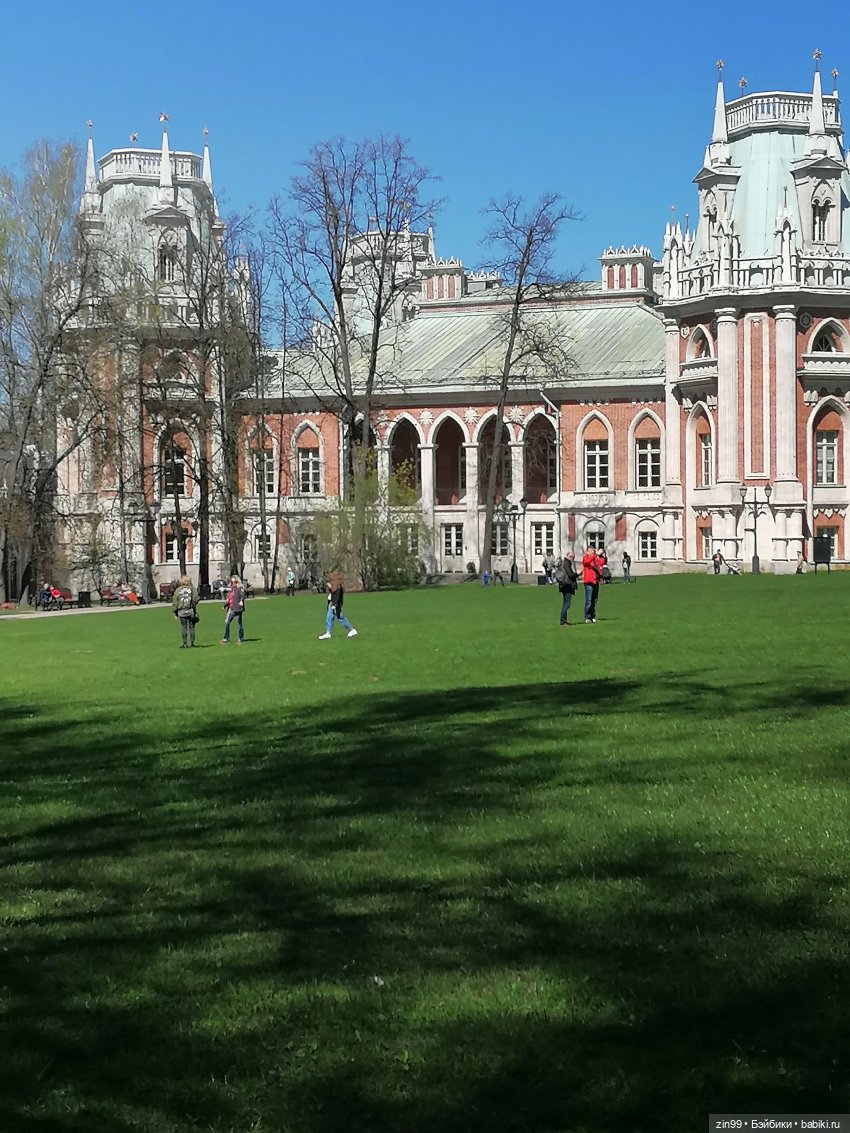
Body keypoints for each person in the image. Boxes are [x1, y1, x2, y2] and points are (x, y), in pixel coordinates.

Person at [319, 570, 358, 640]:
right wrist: (330, 587)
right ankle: (351, 630)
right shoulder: (336, 585)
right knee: (340, 617)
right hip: (334, 603)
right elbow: (333, 592)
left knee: (329, 617)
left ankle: (328, 632)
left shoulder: (337, 586)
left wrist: (334, 605)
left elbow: (336, 596)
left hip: (334, 604)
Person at [171, 573, 198, 648]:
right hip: (191, 611)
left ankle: (184, 643)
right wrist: (193, 606)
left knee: (184, 627)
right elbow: (196, 599)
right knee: (192, 627)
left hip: (182, 611)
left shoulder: (178, 590)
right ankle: (192, 643)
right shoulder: (192, 589)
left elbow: (175, 602)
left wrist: (175, 612)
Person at [555, 552, 579, 626]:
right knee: (566, 604)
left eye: (573, 557)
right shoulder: (566, 563)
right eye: (571, 556)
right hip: (567, 585)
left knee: (566, 603)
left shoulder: (564, 563)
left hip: (564, 585)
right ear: (567, 556)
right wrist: (577, 574)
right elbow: (570, 574)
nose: (572, 558)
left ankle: (563, 620)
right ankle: (563, 621)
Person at [220, 575, 246, 644]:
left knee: (239, 624)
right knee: (227, 622)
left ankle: (240, 638)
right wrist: (225, 605)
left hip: (238, 608)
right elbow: (229, 599)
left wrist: (241, 601)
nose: (233, 583)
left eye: (235, 582)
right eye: (232, 582)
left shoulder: (240, 588)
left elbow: (243, 595)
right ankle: (226, 638)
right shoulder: (231, 590)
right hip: (231, 608)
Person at [581, 545, 601, 623]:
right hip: (589, 582)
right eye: (591, 551)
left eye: (593, 551)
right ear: (587, 552)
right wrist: (595, 555)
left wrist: (603, 556)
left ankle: (593, 616)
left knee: (594, 600)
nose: (592, 553)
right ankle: (587, 617)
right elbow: (587, 562)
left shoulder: (594, 559)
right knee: (588, 601)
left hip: (595, 581)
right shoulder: (585, 558)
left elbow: (601, 563)